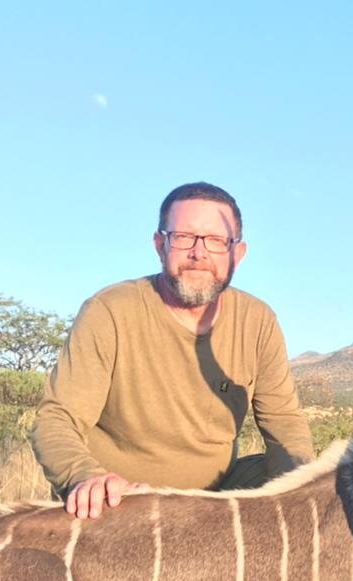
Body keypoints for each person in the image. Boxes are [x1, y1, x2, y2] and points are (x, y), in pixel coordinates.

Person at [32, 181, 314, 519]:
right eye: (183, 237)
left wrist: (304, 496)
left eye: (215, 240)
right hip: (122, 498)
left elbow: (284, 424)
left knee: (322, 484)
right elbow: (57, 418)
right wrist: (84, 477)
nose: (199, 253)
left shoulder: (258, 320)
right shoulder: (110, 310)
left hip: (214, 495)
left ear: (237, 253)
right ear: (159, 245)